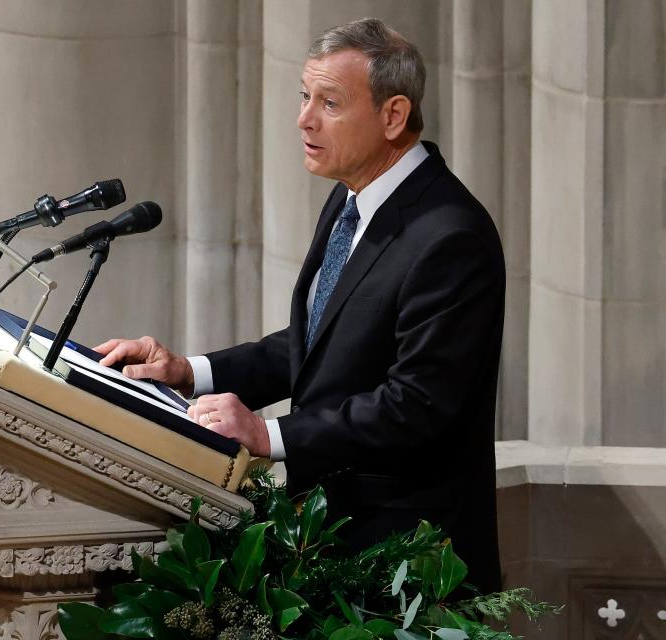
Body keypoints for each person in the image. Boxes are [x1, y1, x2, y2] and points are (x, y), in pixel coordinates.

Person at [95, 18, 504, 594]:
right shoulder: (351, 196)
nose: (304, 118)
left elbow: (418, 404)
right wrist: (191, 373)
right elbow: (316, 343)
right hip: (333, 542)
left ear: (393, 115)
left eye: (330, 102)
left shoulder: (449, 237)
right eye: (304, 97)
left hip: (407, 564)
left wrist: (270, 436)